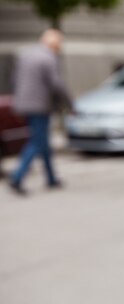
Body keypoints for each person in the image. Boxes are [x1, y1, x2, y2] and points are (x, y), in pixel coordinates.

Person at [8, 29, 73, 196]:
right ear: (55, 44)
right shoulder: (49, 58)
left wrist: (20, 100)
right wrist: (70, 104)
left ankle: (51, 178)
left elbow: (14, 80)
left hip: (23, 104)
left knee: (43, 141)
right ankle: (17, 176)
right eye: (60, 44)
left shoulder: (26, 55)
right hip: (40, 106)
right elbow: (56, 84)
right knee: (37, 141)